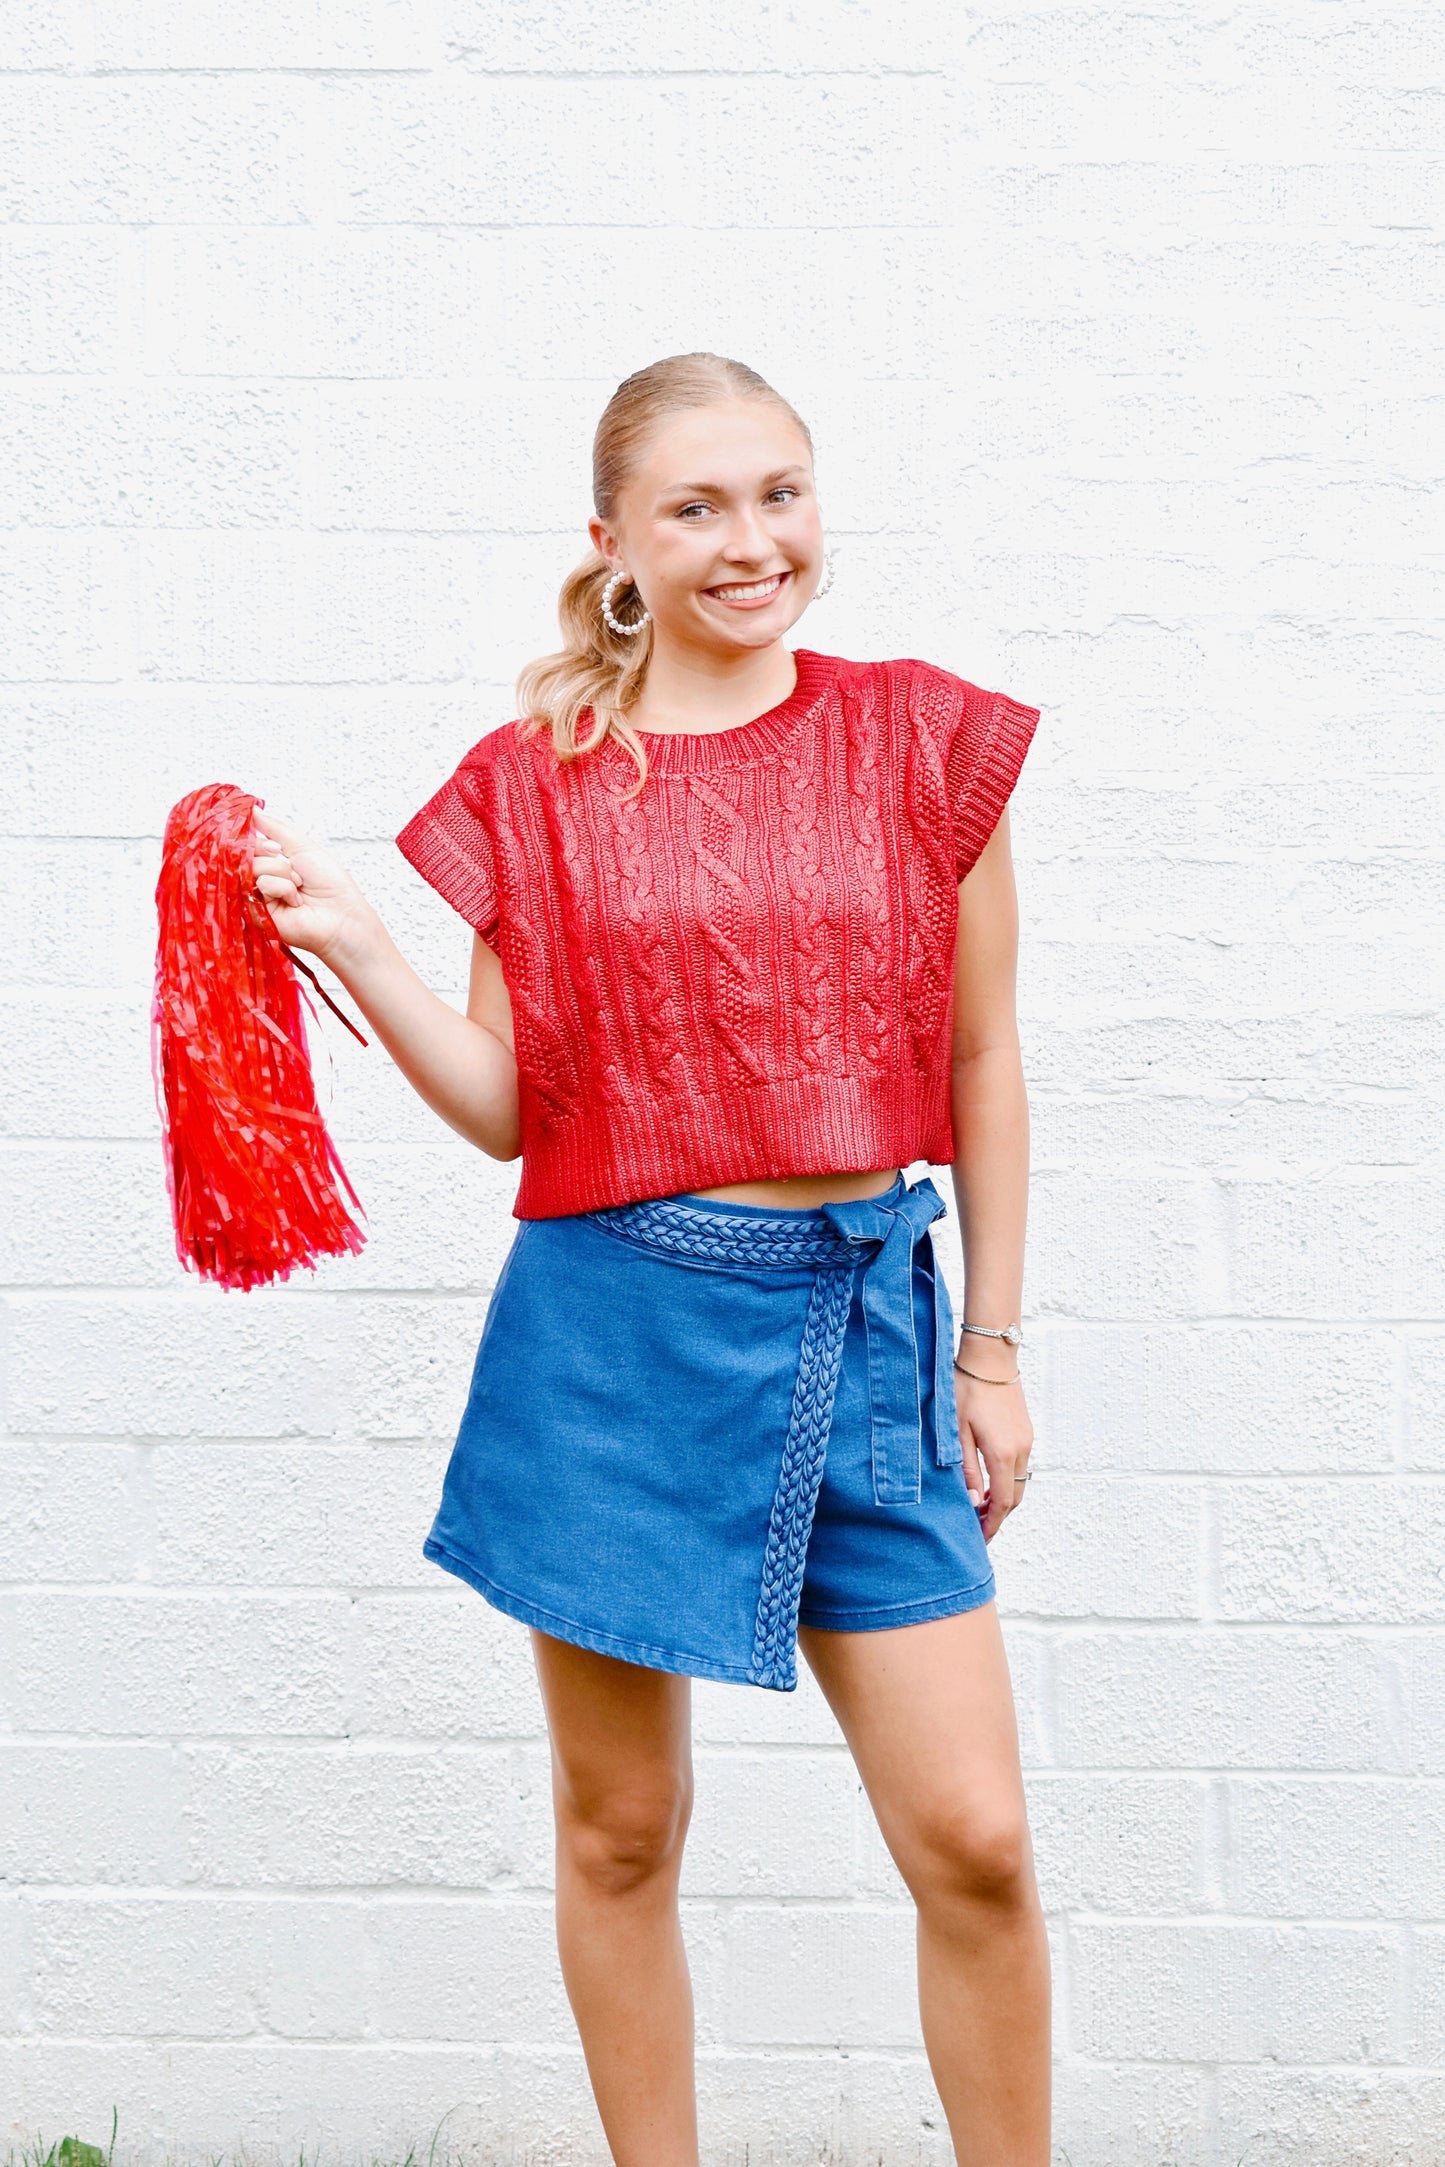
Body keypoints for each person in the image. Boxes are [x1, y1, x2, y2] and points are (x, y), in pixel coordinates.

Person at [250, 352, 1049, 2167]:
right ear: (614, 546)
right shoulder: (533, 786)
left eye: (779, 492)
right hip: (611, 1339)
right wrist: (358, 944)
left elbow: (985, 1056)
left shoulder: (927, 741)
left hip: (865, 1330)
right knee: (621, 1831)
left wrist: (989, 1348)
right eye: (696, 506)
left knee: (976, 1846)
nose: (749, 539)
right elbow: (515, 1109)